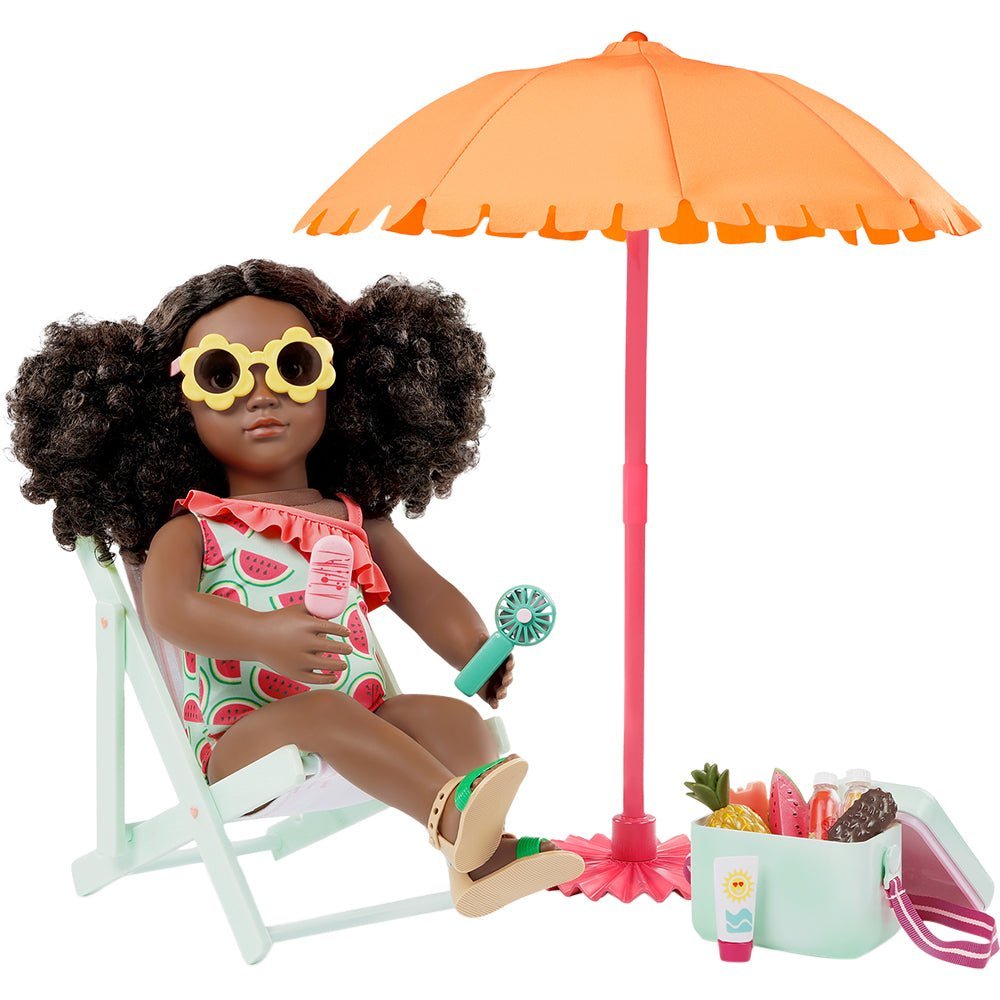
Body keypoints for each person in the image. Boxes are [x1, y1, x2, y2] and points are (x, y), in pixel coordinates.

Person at [7, 259, 583, 916]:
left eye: (294, 367)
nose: (261, 397)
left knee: (456, 723)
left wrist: (478, 649)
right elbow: (169, 611)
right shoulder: (191, 530)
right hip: (243, 745)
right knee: (325, 714)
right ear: (177, 405)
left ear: (341, 382)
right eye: (221, 376)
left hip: (368, 721)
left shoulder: (354, 519)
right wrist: (261, 635)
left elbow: (423, 592)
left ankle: (481, 858)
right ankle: (456, 824)